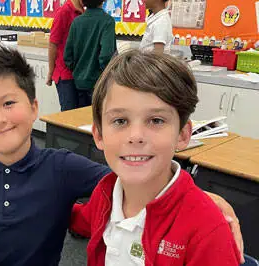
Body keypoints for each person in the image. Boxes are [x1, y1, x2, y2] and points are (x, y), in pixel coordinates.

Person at [0, 46, 242, 266]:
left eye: (8, 103)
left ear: (34, 108)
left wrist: (204, 198)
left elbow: (134, 182)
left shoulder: (62, 169)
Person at [69, 49, 241, 266]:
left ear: (182, 135)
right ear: (99, 135)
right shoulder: (106, 195)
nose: (136, 136)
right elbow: (83, 220)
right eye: (120, 121)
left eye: (156, 120)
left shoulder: (207, 229)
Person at [63, 0, 116, 110]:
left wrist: (77, 70)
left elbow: (67, 55)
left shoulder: (76, 22)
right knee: (98, 117)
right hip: (99, 84)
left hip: (79, 83)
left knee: (82, 118)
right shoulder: (107, 21)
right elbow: (106, 56)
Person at [47, 0, 83, 111]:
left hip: (80, 74)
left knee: (81, 115)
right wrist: (51, 72)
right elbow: (53, 43)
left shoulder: (83, 11)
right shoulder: (64, 12)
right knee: (69, 114)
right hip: (65, 74)